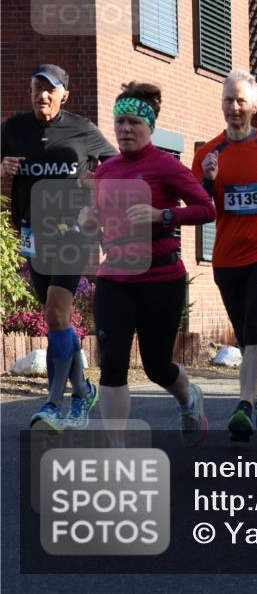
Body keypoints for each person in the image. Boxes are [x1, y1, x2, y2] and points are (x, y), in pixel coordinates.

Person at [77, 82, 215, 445]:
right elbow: (94, 215)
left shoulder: (166, 166)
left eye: (133, 122)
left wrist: (162, 215)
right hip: (116, 278)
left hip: (161, 278)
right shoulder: (107, 170)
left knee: (156, 365)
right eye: (119, 121)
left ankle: (188, 399)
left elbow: (206, 208)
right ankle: (116, 448)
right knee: (113, 364)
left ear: (149, 126)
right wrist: (88, 218)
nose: (124, 129)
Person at [1, 64, 116, 431]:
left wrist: (94, 180)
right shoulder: (13, 129)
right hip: (34, 234)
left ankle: (53, 404)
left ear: (65, 94)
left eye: (50, 89)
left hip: (73, 233)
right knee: (58, 320)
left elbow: (118, 167)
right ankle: (83, 391)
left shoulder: (82, 129)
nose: (43, 95)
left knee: (55, 311)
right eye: (37, 88)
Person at [192, 70, 257, 441]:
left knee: (254, 328)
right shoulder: (208, 153)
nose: (234, 107)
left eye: (240, 100)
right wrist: (206, 180)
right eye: (228, 100)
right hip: (227, 257)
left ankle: (246, 406)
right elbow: (197, 206)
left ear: (254, 105)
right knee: (245, 334)